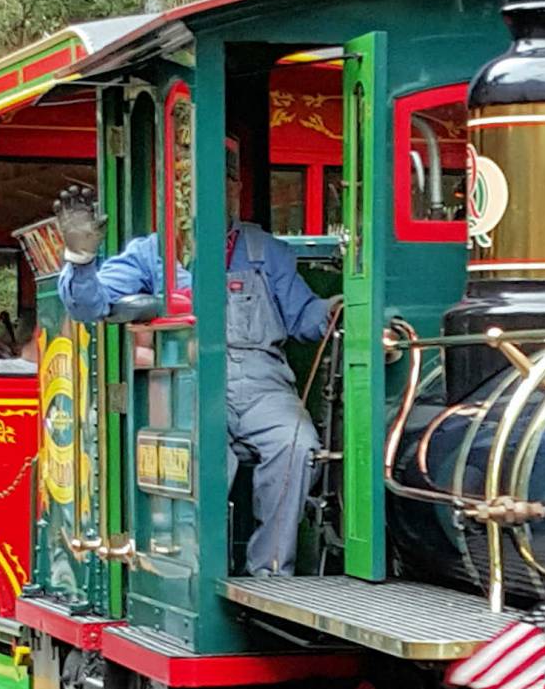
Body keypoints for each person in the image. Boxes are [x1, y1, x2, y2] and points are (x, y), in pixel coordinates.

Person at [53, 184, 336, 576]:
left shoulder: (263, 248)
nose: (221, 191)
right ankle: (203, 573)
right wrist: (81, 260)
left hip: (262, 381)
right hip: (191, 383)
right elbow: (90, 305)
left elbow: (302, 317)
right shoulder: (151, 252)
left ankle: (271, 573)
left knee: (298, 445)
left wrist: (341, 309)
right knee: (207, 457)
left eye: (231, 181)